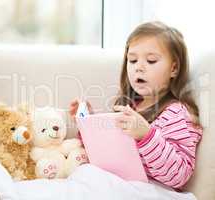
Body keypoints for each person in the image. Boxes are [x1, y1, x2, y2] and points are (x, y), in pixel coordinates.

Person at [69, 21, 203, 189]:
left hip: (151, 190)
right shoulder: (130, 106)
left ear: (174, 68)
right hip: (118, 184)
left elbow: (179, 175)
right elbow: (105, 154)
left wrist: (146, 136)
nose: (139, 67)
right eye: (132, 60)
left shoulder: (177, 114)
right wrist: (88, 122)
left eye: (151, 61)